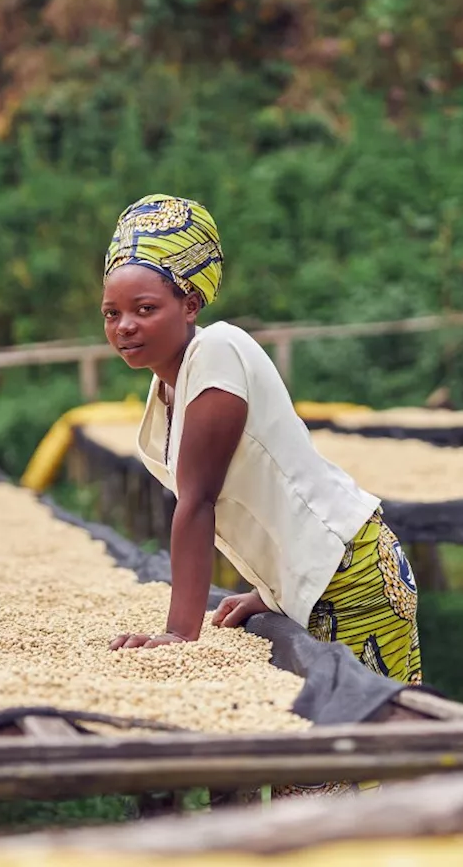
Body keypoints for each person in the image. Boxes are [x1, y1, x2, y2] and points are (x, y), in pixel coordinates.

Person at [102, 194, 422, 692]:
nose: (124, 326)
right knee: (323, 764)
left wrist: (178, 635)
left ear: (190, 305)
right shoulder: (168, 382)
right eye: (111, 313)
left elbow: (199, 499)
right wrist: (272, 591)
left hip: (349, 576)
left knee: (359, 753)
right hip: (313, 581)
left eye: (144, 309)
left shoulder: (217, 351)